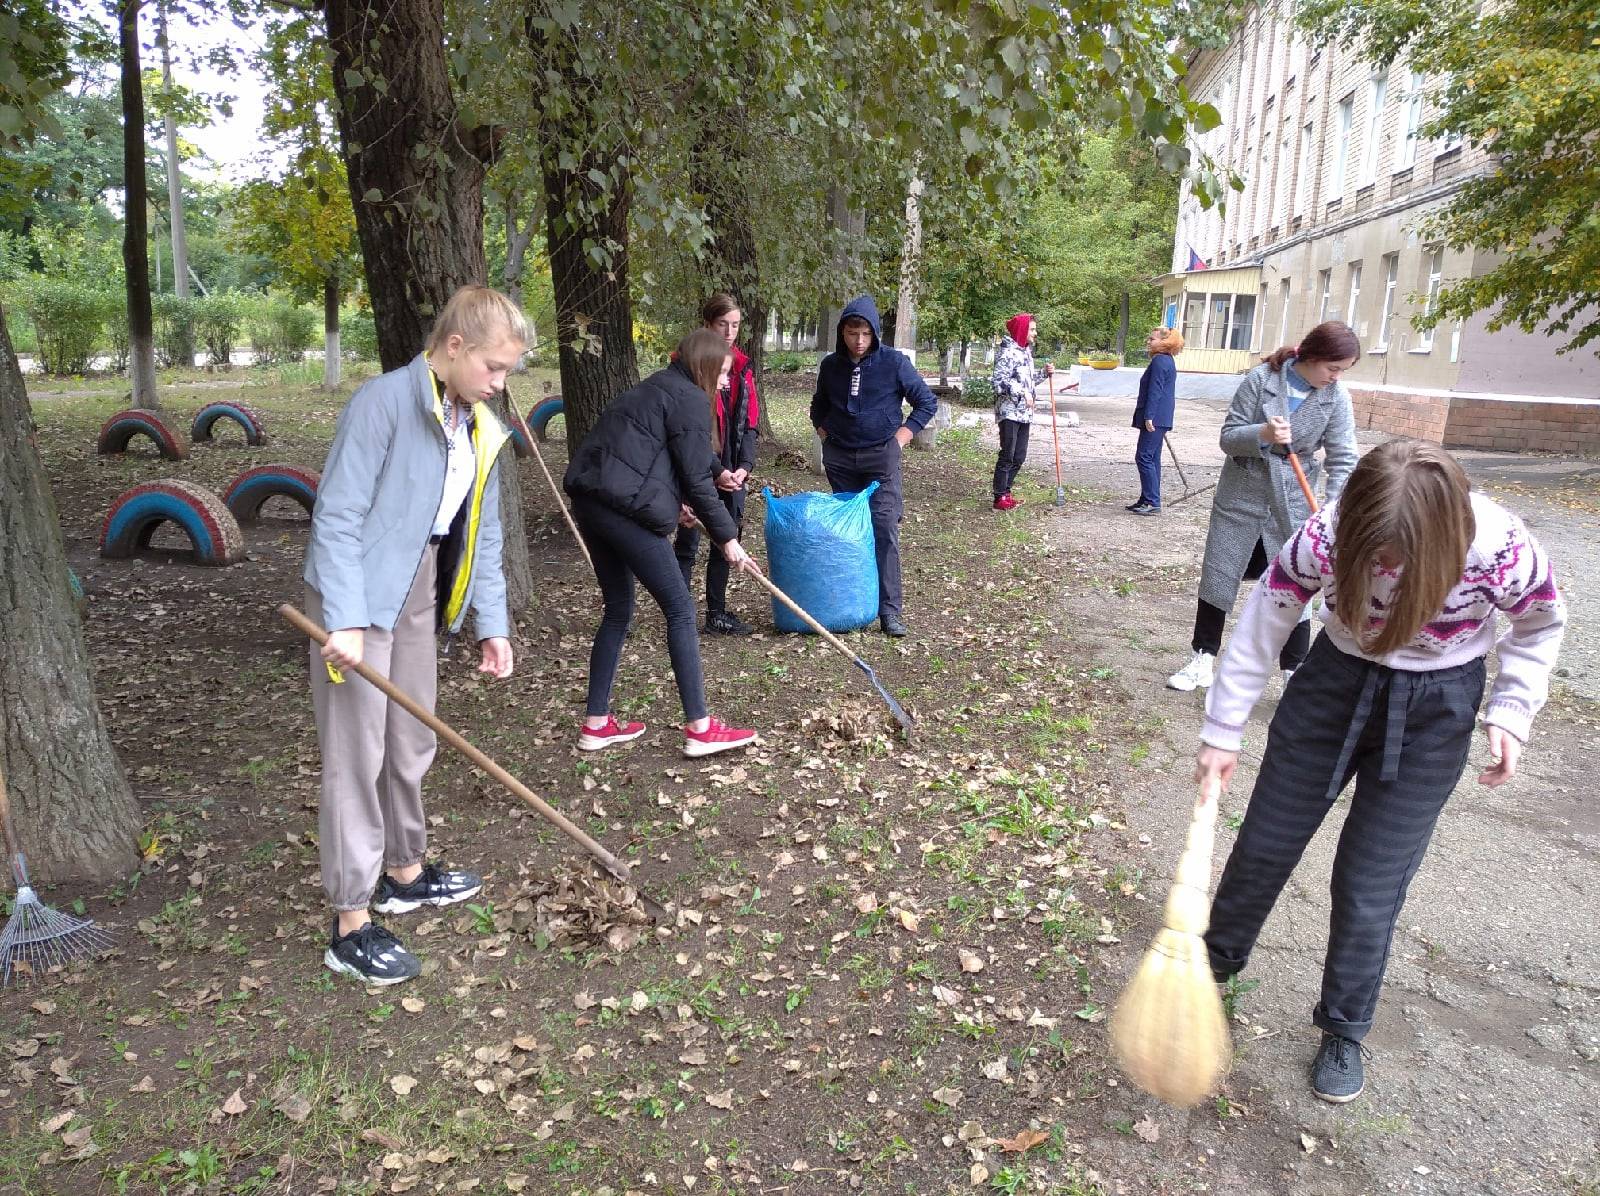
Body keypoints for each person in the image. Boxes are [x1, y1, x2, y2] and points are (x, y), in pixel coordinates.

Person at [1194, 439, 1566, 1103]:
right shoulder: (1326, 533)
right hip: (1332, 686)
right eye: (1373, 556)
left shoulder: (1501, 549)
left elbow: (1539, 626)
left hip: (1435, 709)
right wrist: (1223, 729)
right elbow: (1265, 619)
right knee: (1265, 845)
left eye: (1397, 559)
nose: (1384, 570)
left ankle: (1343, 1027)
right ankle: (1210, 971)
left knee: (1370, 882)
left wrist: (1512, 709)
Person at [305, 284, 525, 985]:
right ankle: (351, 922)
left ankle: (404, 872)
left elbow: (483, 534)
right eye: (493, 367)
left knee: (410, 735)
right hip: (358, 593)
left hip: (419, 590)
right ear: (454, 347)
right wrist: (344, 616)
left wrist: (492, 624)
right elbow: (338, 516)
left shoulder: (478, 425)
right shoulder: (383, 404)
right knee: (356, 753)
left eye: (507, 371)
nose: (499, 383)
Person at [565, 328, 758, 759]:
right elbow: (694, 478)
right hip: (621, 511)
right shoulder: (689, 398)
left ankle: (596, 724)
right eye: (722, 373)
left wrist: (691, 493)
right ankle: (700, 728)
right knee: (680, 609)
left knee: (618, 609)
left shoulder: (659, 387)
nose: (725, 382)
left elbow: (662, 454)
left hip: (593, 504)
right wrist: (728, 537)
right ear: (704, 367)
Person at [1167, 321, 1360, 692]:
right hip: (1242, 492)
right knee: (1220, 573)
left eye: (1342, 371)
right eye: (1332, 368)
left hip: (1293, 499)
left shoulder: (1336, 397)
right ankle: (1203, 659)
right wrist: (1263, 434)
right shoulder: (1261, 379)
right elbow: (1228, 437)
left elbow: (1344, 458)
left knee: (1297, 581)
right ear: (1312, 355)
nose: (1336, 377)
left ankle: (1293, 671)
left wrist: (1332, 511)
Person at [810, 294, 938, 637]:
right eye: (853, 333)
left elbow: (926, 402)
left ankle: (889, 611)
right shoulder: (831, 366)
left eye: (866, 334)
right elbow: (818, 405)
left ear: (875, 333)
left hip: (881, 458)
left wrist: (901, 438)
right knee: (849, 532)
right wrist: (824, 434)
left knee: (883, 527)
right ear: (842, 332)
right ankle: (851, 604)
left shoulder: (894, 363)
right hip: (841, 459)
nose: (859, 341)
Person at [673, 293, 761, 635]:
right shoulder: (688, 367)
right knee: (688, 542)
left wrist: (744, 467)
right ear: (707, 325)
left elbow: (750, 423)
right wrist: (715, 470)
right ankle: (680, 614)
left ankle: (717, 613)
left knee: (728, 536)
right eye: (722, 324)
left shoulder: (742, 368)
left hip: (732, 469)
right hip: (698, 468)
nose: (729, 332)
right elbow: (690, 433)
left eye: (735, 325)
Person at [990, 312, 1053, 510]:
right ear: (1022, 330)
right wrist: (1021, 393)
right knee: (1007, 455)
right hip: (1009, 412)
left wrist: (1044, 373)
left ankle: (1006, 492)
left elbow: (1028, 382)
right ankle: (999, 497)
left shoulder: (1025, 352)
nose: (1035, 333)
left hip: (1024, 413)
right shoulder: (1007, 353)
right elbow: (998, 382)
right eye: (1032, 329)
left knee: (1019, 456)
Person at [1127, 326, 1184, 515]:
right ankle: (1147, 499)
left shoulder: (1160, 360)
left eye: (1152, 339)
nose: (1148, 342)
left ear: (1165, 342)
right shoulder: (1166, 360)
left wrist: (1149, 416)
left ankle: (1152, 501)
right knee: (1152, 458)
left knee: (1143, 457)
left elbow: (1156, 389)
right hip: (1161, 417)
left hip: (1155, 417)